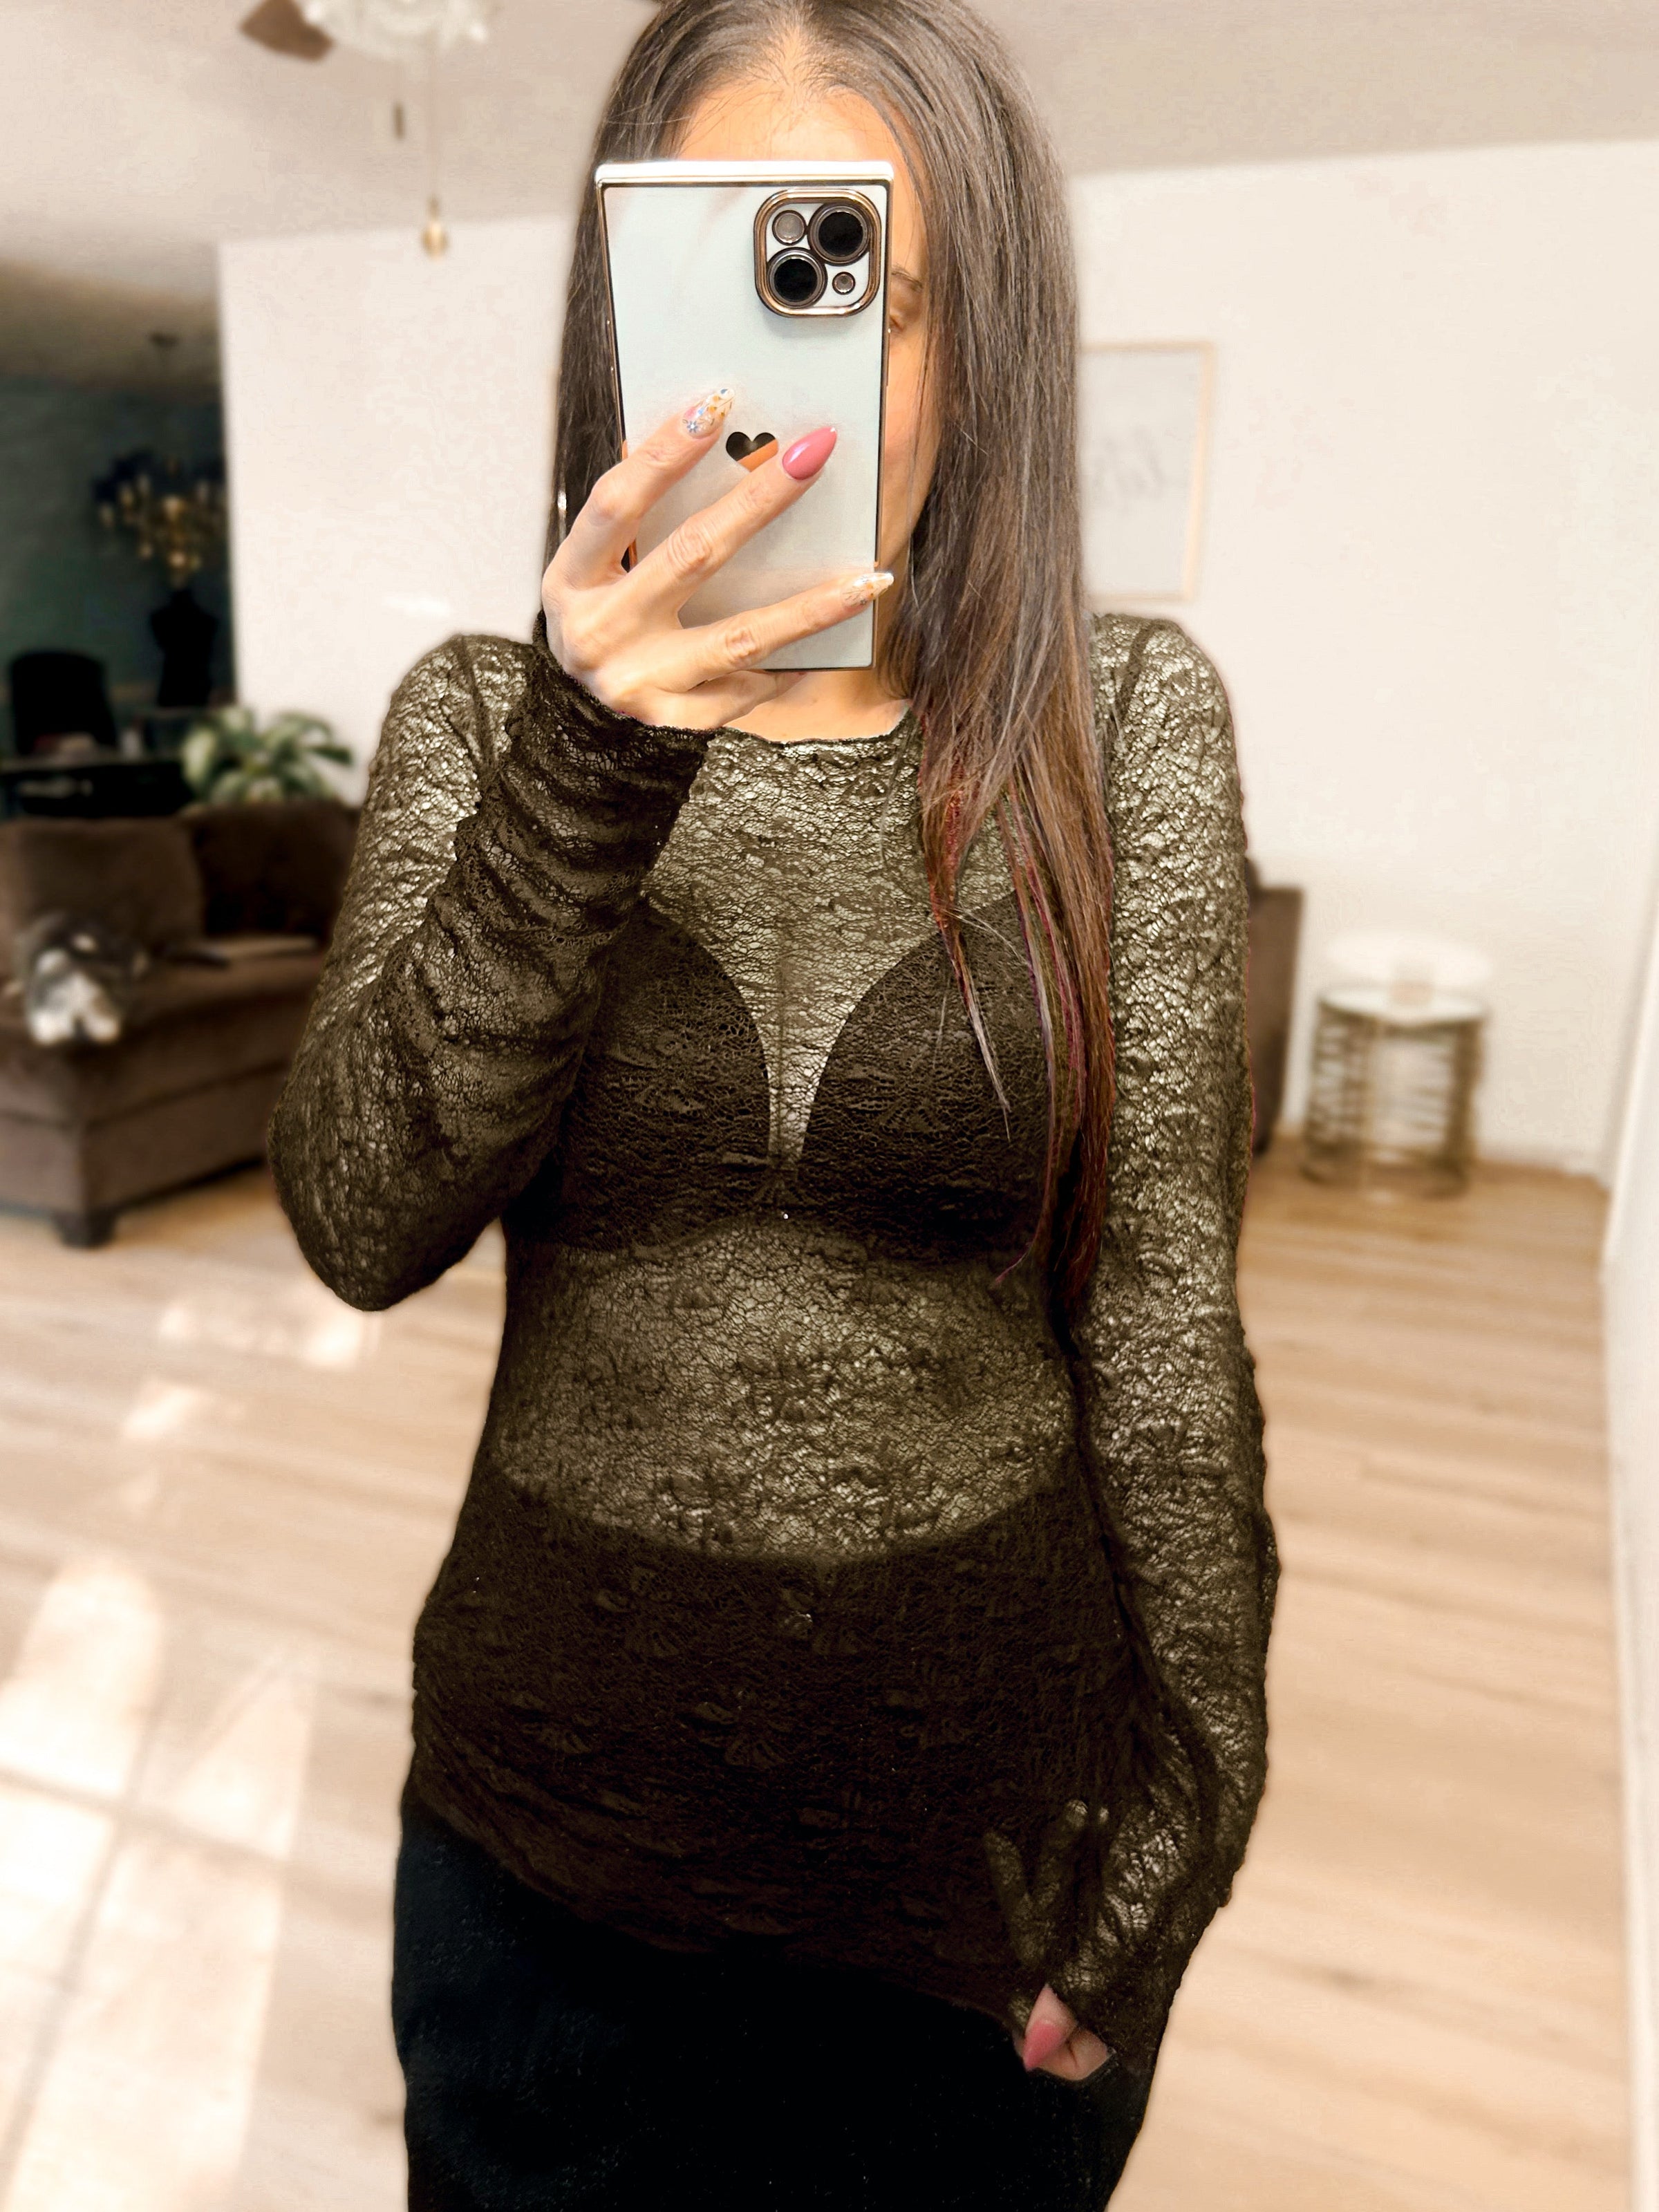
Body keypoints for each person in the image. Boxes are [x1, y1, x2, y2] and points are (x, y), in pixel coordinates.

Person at [268, 1, 1277, 2204]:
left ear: (975, 347)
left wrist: (1198, 1794)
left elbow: (1164, 1322)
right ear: (624, 322)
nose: (789, 381)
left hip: (983, 1865)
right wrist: (586, 760)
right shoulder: (480, 725)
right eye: (729, 279)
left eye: (866, 292)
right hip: (544, 1858)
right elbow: (360, 1222)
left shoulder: (1124, 726)